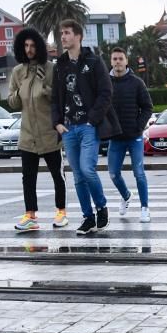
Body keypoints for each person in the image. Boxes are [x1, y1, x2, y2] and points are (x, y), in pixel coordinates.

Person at [51, 19, 120, 236]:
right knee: (77, 175)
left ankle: (101, 207)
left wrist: (92, 119)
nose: (63, 37)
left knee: (87, 169)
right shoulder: (60, 65)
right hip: (69, 128)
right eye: (61, 33)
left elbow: (106, 92)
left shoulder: (93, 61)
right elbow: (55, 97)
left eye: (67, 33)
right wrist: (57, 122)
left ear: (78, 36)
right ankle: (87, 217)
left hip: (89, 126)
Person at [7, 27, 68, 233]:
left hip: (49, 132)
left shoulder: (51, 68)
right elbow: (13, 103)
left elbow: (59, 98)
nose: (29, 49)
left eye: (33, 45)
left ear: (39, 47)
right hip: (27, 135)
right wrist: (20, 90)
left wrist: (45, 87)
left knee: (57, 175)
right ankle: (30, 215)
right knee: (28, 177)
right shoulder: (17, 72)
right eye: (26, 45)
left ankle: (61, 212)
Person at [107, 46, 154, 222]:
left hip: (134, 136)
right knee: (113, 174)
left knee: (139, 173)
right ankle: (126, 196)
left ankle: (144, 208)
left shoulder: (136, 83)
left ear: (126, 61)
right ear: (111, 62)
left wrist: (139, 126)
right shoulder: (105, 83)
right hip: (115, 138)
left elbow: (148, 107)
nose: (118, 62)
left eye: (121, 59)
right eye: (114, 59)